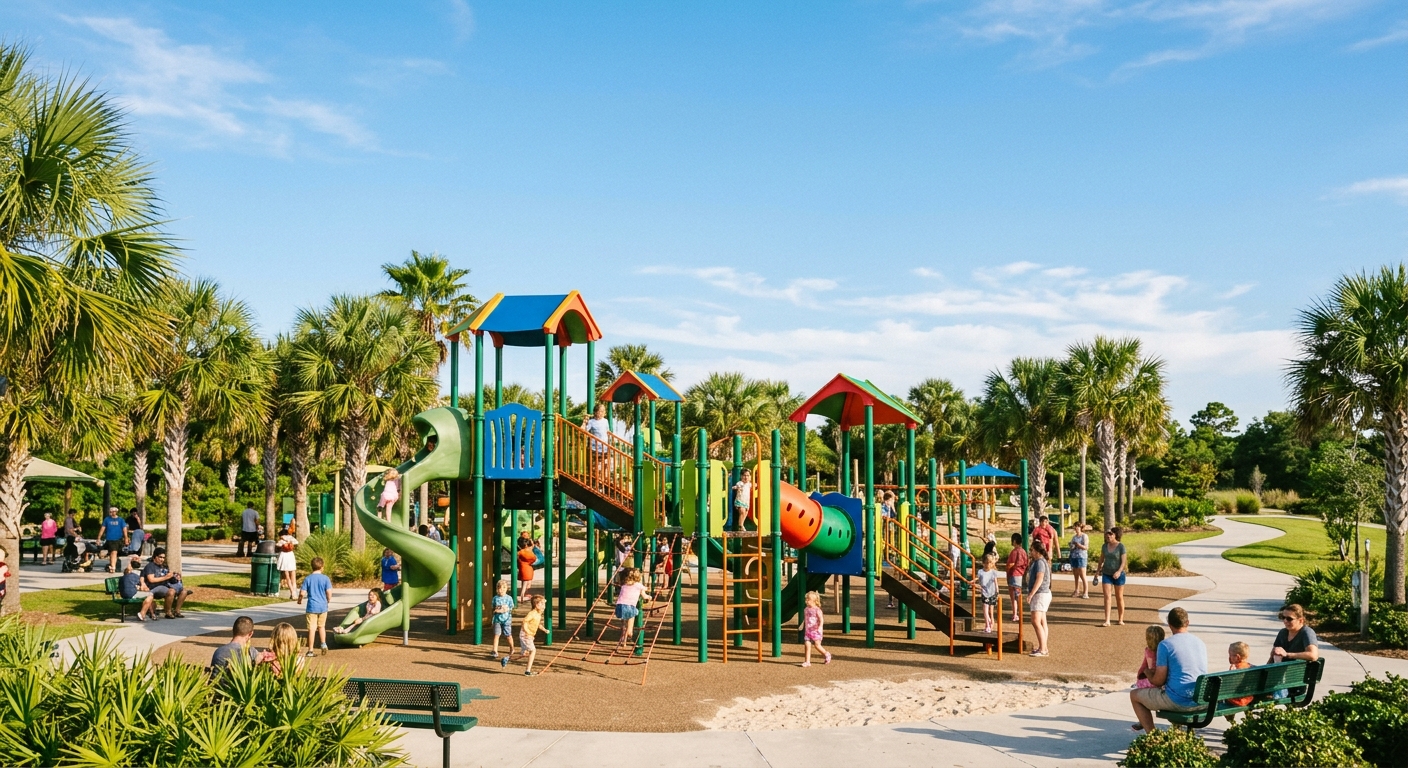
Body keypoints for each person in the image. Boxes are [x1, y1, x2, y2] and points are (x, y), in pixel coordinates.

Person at [1130, 607, 1208, 732]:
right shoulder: (1200, 643)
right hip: (1201, 699)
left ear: (1169, 625)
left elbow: (1158, 681)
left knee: (1134, 695)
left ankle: (1153, 737)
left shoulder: (1166, 645)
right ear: (1187, 623)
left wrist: (1148, 673)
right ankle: (1176, 731)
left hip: (1179, 701)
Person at [142, 548, 192, 618]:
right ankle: (168, 612)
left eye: (163, 558)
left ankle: (177, 611)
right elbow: (151, 580)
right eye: (160, 557)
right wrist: (166, 577)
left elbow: (168, 577)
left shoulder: (164, 566)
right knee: (171, 591)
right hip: (154, 588)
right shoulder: (150, 566)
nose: (162, 559)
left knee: (184, 591)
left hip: (165, 586)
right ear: (155, 557)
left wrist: (175, 577)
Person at [299, 556, 332, 657]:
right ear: (322, 567)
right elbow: (329, 592)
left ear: (312, 567)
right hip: (323, 606)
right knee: (321, 627)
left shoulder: (308, 579)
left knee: (312, 629)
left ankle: (310, 650)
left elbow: (302, 593)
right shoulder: (326, 578)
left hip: (312, 607)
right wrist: (328, 600)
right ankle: (323, 644)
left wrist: (299, 600)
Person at [1026, 540, 1052, 657]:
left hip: (1040, 594)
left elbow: (1039, 578)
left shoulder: (1040, 562)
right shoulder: (1039, 561)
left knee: (1035, 621)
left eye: (1031, 550)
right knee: (1042, 621)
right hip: (1043, 593)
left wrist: (1031, 594)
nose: (1030, 552)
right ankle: (1043, 647)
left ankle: (1043, 649)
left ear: (1036, 551)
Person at [1100, 527, 1129, 626]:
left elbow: (1123, 562)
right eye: (1107, 534)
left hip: (1118, 575)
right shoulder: (1104, 546)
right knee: (1107, 596)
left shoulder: (1121, 547)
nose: (1108, 535)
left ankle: (1120, 619)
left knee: (1119, 597)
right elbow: (1101, 559)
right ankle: (1107, 620)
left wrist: (1119, 571)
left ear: (1115, 535)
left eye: (1110, 534)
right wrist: (1097, 571)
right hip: (1106, 573)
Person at [615, 567, 648, 651]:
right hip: (630, 607)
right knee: (632, 616)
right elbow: (644, 596)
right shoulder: (638, 585)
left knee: (624, 622)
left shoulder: (624, 585)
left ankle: (624, 639)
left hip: (619, 607)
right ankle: (630, 631)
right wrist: (649, 597)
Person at [119, 556, 156, 621]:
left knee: (147, 596)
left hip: (123, 594)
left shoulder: (125, 575)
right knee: (150, 595)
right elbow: (142, 587)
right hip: (131, 594)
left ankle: (151, 614)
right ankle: (143, 614)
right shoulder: (137, 575)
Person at [801, 590, 832, 667]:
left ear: (814, 601)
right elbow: (805, 618)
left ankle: (826, 654)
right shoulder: (806, 609)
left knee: (817, 645)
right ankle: (807, 661)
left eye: (808, 599)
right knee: (807, 644)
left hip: (816, 630)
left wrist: (820, 627)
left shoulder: (817, 610)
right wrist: (802, 625)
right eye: (806, 599)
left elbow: (821, 619)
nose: (806, 601)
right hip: (808, 630)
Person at [518, 595, 545, 676]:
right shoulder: (532, 613)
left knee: (526, 652)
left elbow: (538, 624)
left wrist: (544, 630)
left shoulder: (538, 614)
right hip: (526, 635)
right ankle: (528, 671)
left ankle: (514, 656)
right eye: (542, 604)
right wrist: (527, 632)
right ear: (537, 605)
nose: (544, 606)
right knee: (533, 650)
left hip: (529, 635)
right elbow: (524, 622)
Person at [1004, 533, 1028, 624]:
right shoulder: (1023, 551)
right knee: (1018, 595)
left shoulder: (1014, 552)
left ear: (1014, 541)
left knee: (1013, 596)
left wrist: (1007, 569)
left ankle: (1015, 613)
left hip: (1013, 574)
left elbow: (1011, 564)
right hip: (1020, 574)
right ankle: (1019, 612)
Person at [491, 580, 516, 663]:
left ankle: (512, 648)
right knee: (496, 634)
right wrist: (496, 611)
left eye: (503, 588)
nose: (501, 590)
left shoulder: (509, 598)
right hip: (497, 619)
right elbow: (493, 607)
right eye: (499, 588)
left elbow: (511, 607)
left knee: (508, 635)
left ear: (506, 589)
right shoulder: (495, 598)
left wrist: (505, 609)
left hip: (506, 619)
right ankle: (494, 650)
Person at [1226, 641, 1255, 709]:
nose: (1229, 657)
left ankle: (1230, 718)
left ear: (1237, 657)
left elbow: (1230, 687)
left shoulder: (1235, 669)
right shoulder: (1251, 667)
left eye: (1230, 655)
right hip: (1249, 698)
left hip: (1237, 700)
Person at [99, 506, 128, 573]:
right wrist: (99, 537)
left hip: (118, 539)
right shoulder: (107, 519)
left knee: (114, 553)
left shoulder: (120, 520)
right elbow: (102, 528)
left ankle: (112, 566)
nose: (112, 513)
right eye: (111, 512)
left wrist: (126, 538)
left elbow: (124, 529)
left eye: (113, 512)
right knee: (113, 552)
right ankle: (113, 567)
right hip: (110, 538)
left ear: (116, 512)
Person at [1135, 625, 1165, 689]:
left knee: (1140, 683)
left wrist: (1139, 677)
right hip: (1163, 679)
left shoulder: (1148, 651)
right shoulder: (1164, 650)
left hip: (1152, 679)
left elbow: (1144, 666)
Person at [977, 553, 999, 633]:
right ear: (983, 563)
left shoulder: (993, 572)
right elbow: (979, 581)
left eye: (990, 563)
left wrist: (997, 591)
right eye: (986, 563)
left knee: (991, 609)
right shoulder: (980, 572)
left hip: (992, 593)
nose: (988, 565)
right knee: (985, 608)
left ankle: (991, 622)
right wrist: (978, 586)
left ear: (992, 564)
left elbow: (995, 582)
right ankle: (987, 624)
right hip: (984, 592)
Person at [276, 526, 299, 600]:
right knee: (293, 576)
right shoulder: (291, 538)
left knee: (287, 577)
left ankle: (292, 592)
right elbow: (296, 542)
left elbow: (277, 545)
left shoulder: (282, 540)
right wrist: (289, 540)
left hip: (284, 556)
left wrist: (283, 539)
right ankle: (294, 593)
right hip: (291, 556)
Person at [1068, 523, 1090, 599]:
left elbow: (1086, 547)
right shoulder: (1074, 537)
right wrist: (1072, 546)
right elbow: (1072, 547)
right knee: (1076, 575)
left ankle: (1085, 592)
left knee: (1083, 575)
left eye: (1078, 527)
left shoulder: (1084, 536)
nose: (1076, 528)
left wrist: (1078, 545)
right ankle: (1077, 590)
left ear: (1081, 528)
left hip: (1082, 557)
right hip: (1074, 556)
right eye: (1075, 527)